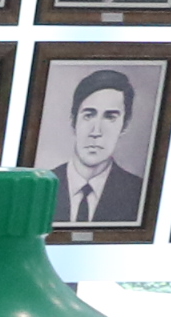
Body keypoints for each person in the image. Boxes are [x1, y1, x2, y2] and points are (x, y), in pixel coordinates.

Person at [50, 67, 150, 230]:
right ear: (73, 121)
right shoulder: (41, 187)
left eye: (110, 117)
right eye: (88, 115)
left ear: (124, 126)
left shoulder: (141, 193)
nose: (96, 131)